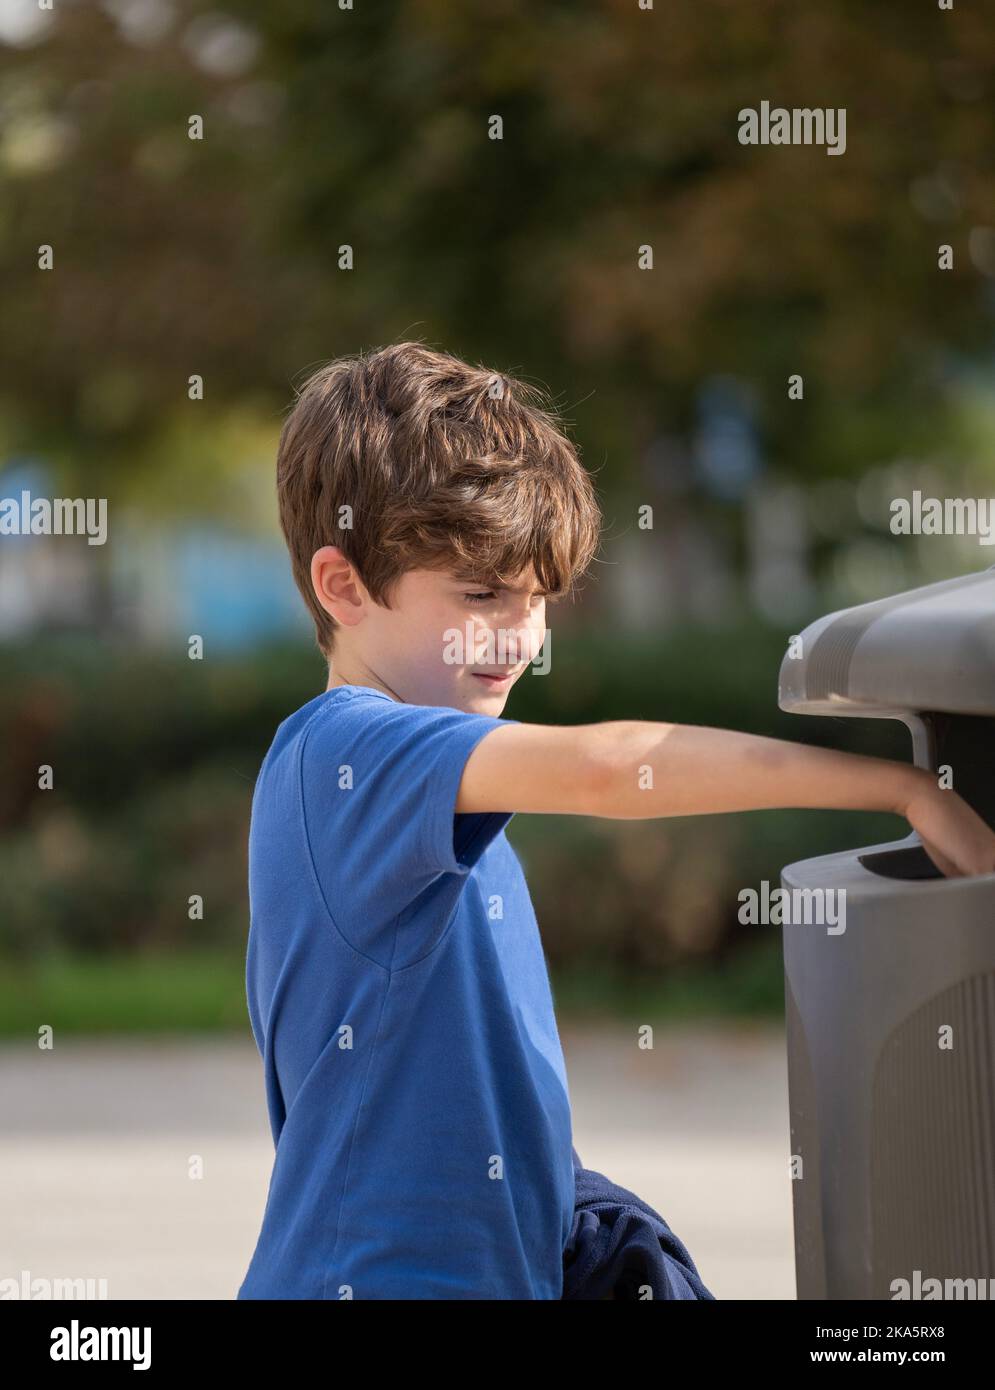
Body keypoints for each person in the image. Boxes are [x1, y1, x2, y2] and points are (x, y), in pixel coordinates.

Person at [237, 340, 995, 1301]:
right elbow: (611, 767)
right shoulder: (347, 754)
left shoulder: (434, 800)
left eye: (537, 599)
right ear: (342, 585)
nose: (518, 636)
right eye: (479, 595)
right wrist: (907, 791)